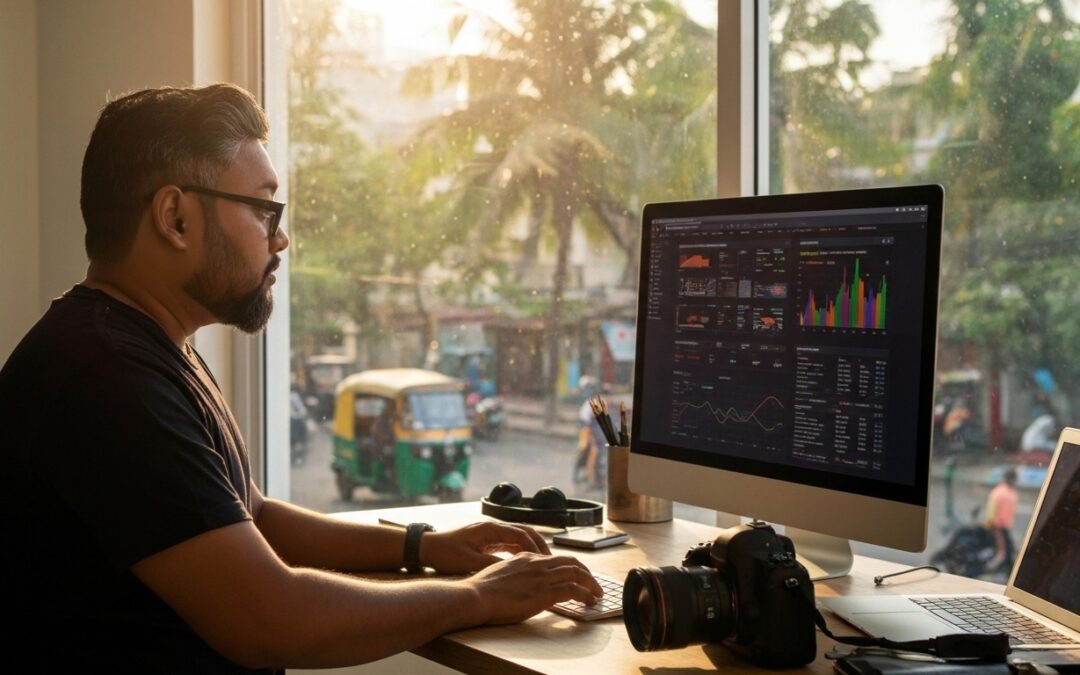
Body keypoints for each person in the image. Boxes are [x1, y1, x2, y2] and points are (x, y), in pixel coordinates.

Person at [0, 84, 601, 672]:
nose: (280, 237)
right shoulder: (106, 377)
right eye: (264, 208)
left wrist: (424, 546)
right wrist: (481, 597)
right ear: (176, 218)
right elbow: (272, 620)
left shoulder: (142, 346)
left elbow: (250, 516)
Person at [983, 467, 1020, 573]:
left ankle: (999, 556)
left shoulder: (998, 492)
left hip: (996, 526)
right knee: (1008, 550)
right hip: (1004, 527)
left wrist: (989, 522)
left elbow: (991, 511)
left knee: (1004, 550)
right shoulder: (1013, 495)